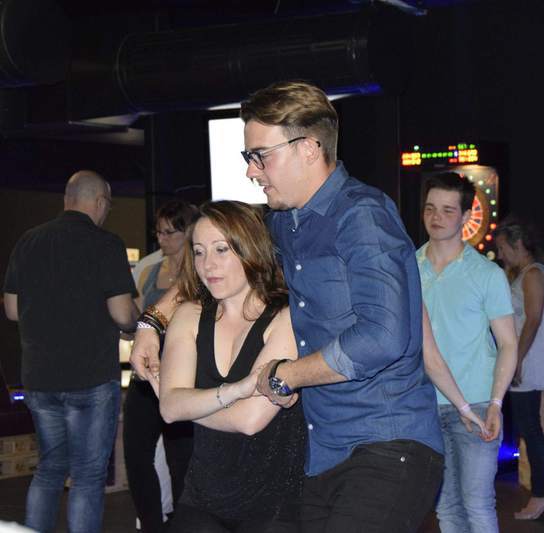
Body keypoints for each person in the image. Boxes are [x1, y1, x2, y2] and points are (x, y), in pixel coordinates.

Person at [131, 81, 444, 533]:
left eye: (260, 156)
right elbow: (218, 262)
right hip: (322, 455)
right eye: (249, 157)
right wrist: (152, 321)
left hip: (387, 442)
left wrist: (287, 374)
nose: (251, 171)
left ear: (309, 149)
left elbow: (383, 337)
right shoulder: (283, 223)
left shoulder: (363, 216)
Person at [155, 200, 305, 532]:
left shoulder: (286, 316)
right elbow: (169, 407)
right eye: (199, 252)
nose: (207, 264)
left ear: (250, 248)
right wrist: (236, 390)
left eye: (221, 249)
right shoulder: (189, 315)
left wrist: (187, 405)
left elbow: (249, 419)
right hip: (203, 497)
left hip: (274, 504)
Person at [3, 170, 139, 533]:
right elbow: (122, 313)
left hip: (39, 380)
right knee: (87, 476)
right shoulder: (106, 244)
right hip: (90, 379)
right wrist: (136, 324)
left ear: (67, 198)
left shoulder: (28, 241)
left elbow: (12, 310)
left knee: (48, 470)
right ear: (99, 202)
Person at [416, 172, 518, 533]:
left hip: (476, 403)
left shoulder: (487, 274)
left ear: (465, 216)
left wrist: (496, 403)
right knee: (446, 508)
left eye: (447, 210)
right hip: (424, 405)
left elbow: (508, 343)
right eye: (430, 208)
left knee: (477, 504)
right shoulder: (409, 268)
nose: (436, 217)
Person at [123, 200, 197, 533]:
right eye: (159, 232)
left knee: (181, 459)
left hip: (183, 376)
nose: (162, 239)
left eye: (170, 232)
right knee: (136, 456)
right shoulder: (150, 270)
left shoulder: (201, 272)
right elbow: (138, 319)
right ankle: (152, 525)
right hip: (147, 376)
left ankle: (183, 524)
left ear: (187, 232)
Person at [495, 216, 544, 520]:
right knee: (528, 426)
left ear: (518, 244)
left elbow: (533, 319)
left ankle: (543, 490)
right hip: (525, 359)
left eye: (503, 248)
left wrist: (517, 359)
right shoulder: (525, 274)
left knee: (529, 427)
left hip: (529, 362)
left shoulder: (534, 274)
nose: (500, 255)